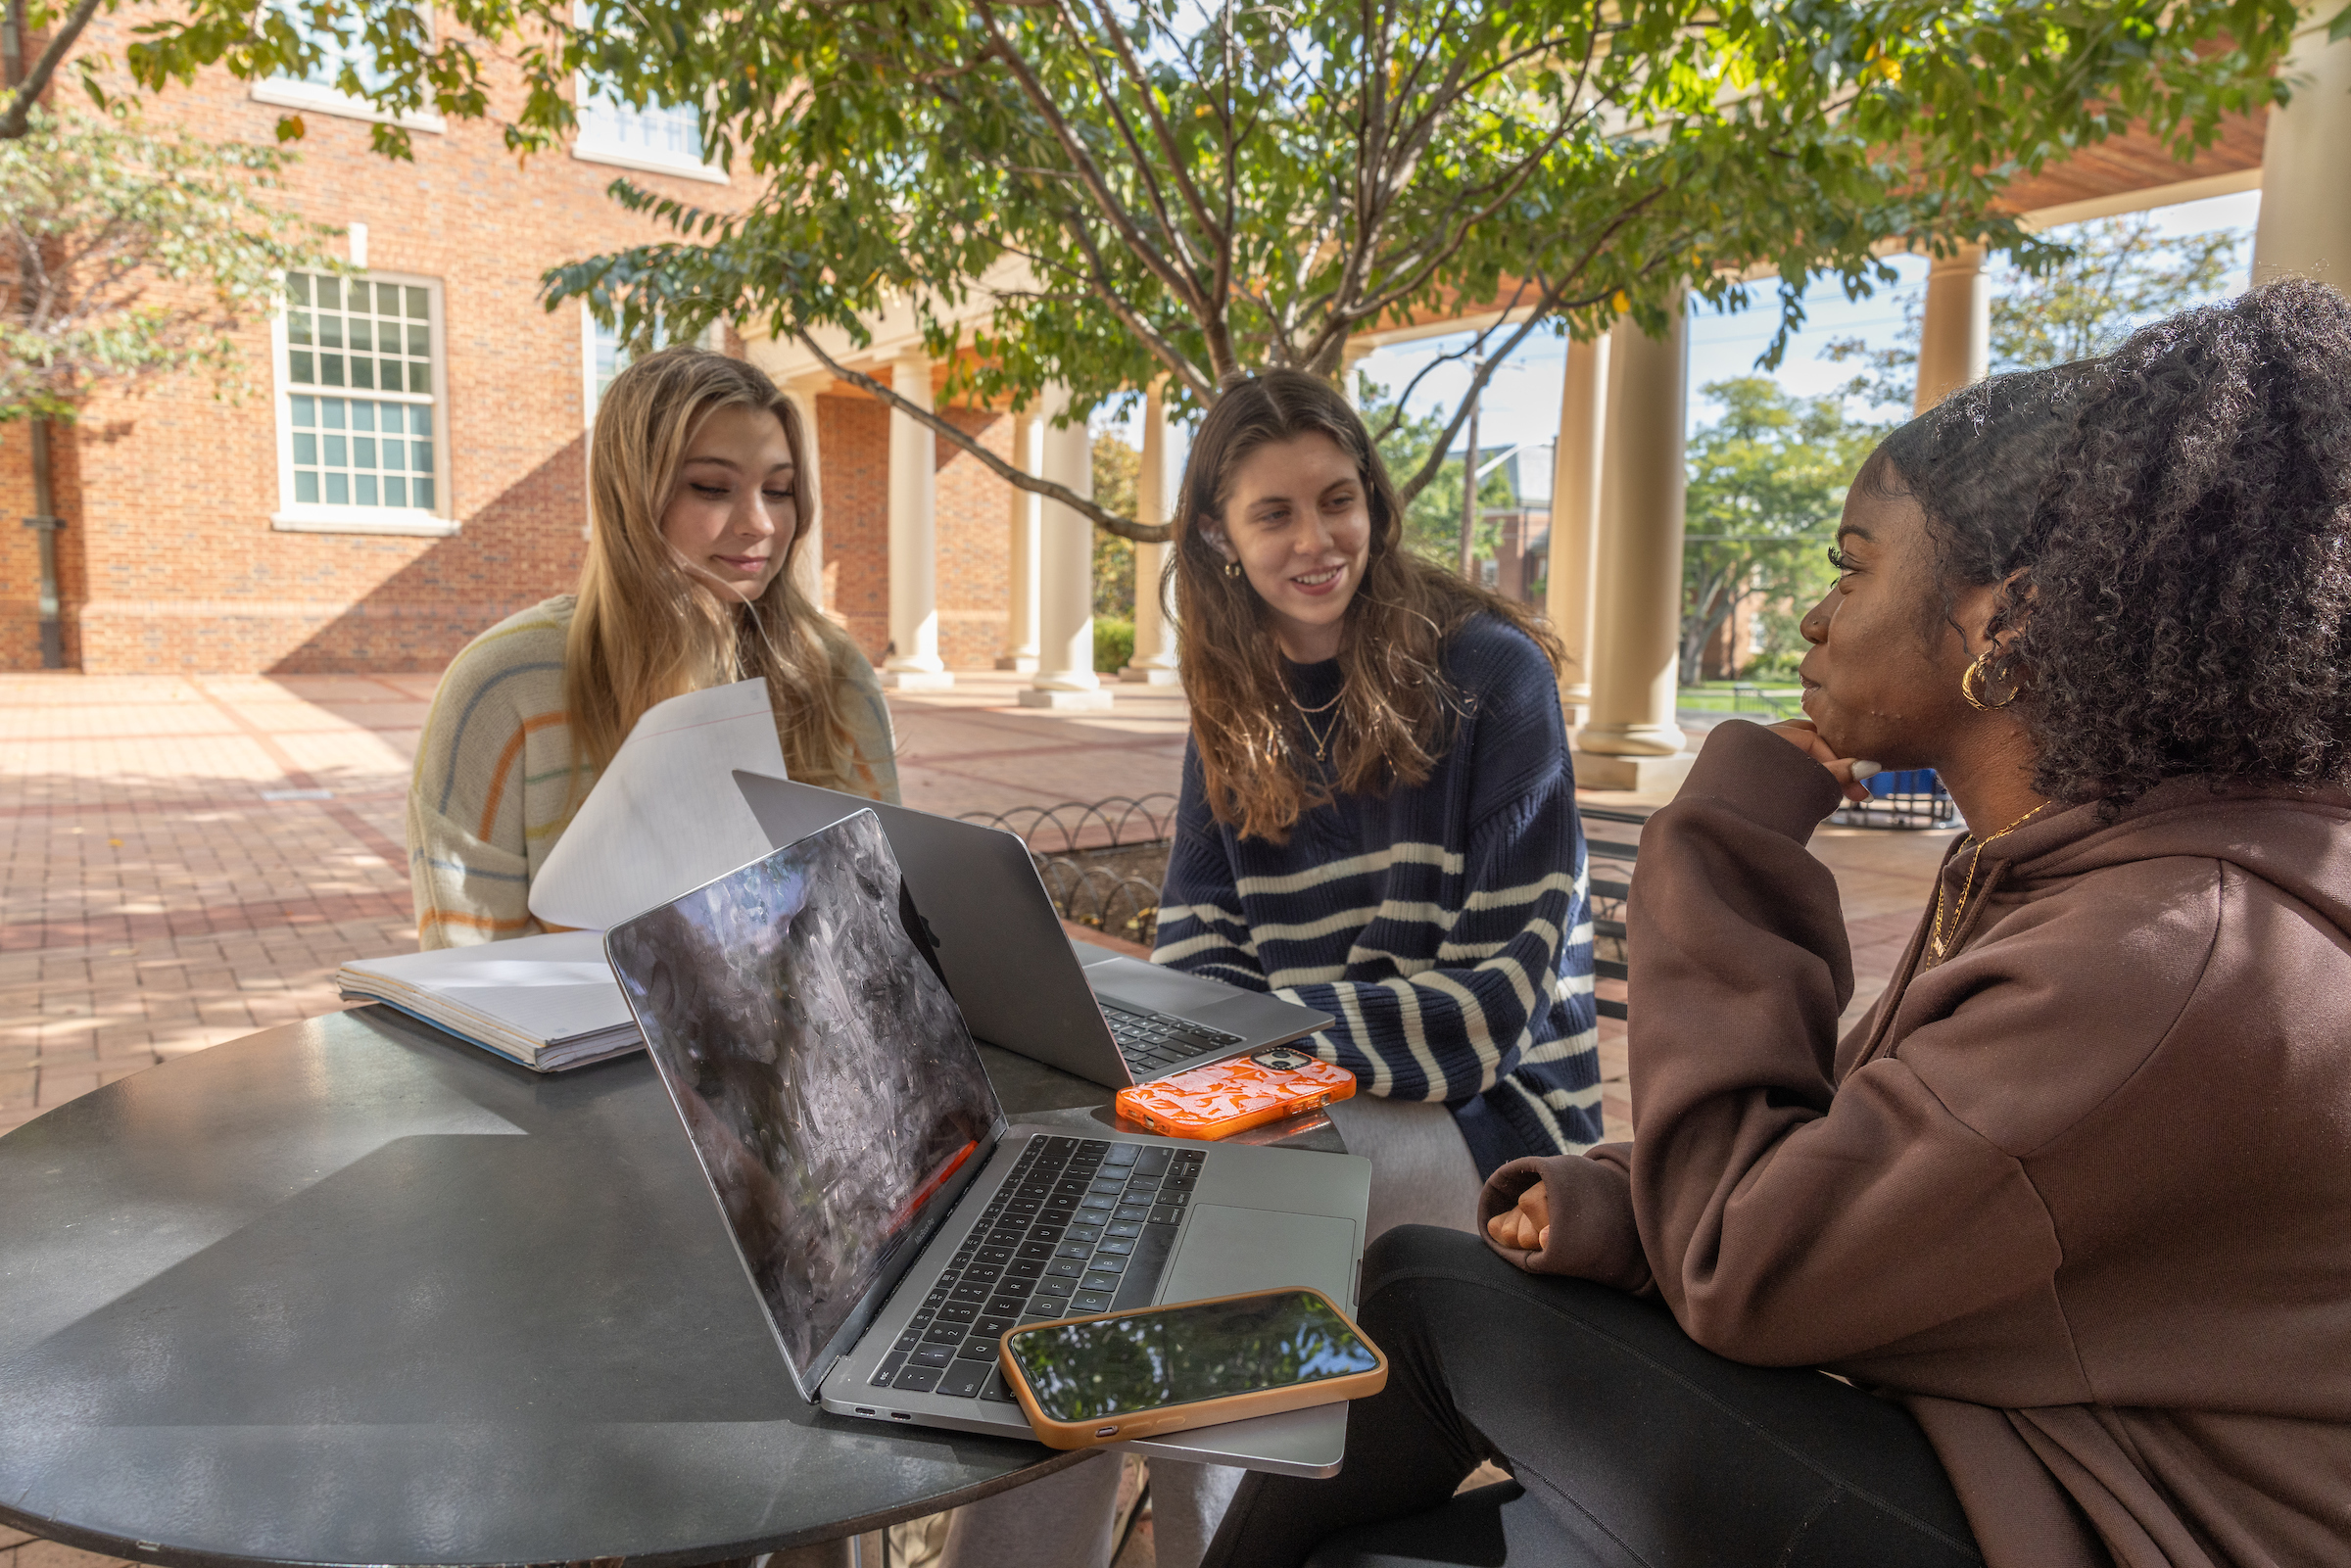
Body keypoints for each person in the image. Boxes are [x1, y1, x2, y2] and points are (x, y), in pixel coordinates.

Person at [1201, 279, 2351, 1568]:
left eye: (1852, 567)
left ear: (2002, 621)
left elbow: (1759, 1266)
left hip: (2121, 1522)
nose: (1814, 615)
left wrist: (1733, 846)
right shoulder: (2107, 880)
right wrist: (1608, 1206)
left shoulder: (2159, 956)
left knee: (1417, 1292)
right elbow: (1873, 1161)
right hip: (2036, 1462)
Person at [941, 370, 1601, 1568]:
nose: (1316, 539)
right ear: (1217, 535)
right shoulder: (1231, 698)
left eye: (1337, 500)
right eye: (1275, 514)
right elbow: (1199, 950)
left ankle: (1217, 1555)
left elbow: (1489, 1013)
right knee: (1083, 1188)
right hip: (1300, 1097)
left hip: (1493, 1128)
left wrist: (1268, 1046)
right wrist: (1207, 1063)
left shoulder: (1491, 675)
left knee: (1209, 1210)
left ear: (1376, 504)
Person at [407, 347, 897, 947]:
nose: (761, 523)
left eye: (780, 489)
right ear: (629, 498)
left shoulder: (834, 671)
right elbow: (463, 974)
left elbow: (886, 926)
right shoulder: (505, 686)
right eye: (712, 487)